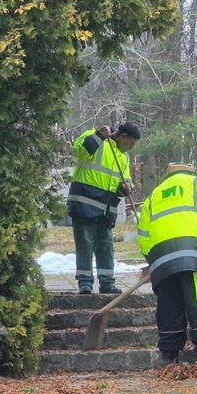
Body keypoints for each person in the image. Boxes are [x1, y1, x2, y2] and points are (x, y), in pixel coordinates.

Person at [138, 163, 197, 373]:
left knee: (169, 307)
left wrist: (155, 259)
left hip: (161, 260)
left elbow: (143, 238)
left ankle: (169, 359)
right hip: (194, 255)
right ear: (191, 171)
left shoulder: (154, 196)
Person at [67, 121, 140, 294]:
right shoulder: (95, 137)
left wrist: (126, 187)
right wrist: (99, 136)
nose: (131, 147)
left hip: (107, 209)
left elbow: (125, 179)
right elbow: (79, 152)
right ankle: (85, 283)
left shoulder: (123, 157)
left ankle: (107, 283)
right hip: (85, 203)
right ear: (123, 137)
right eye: (131, 143)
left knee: (106, 246)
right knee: (85, 244)